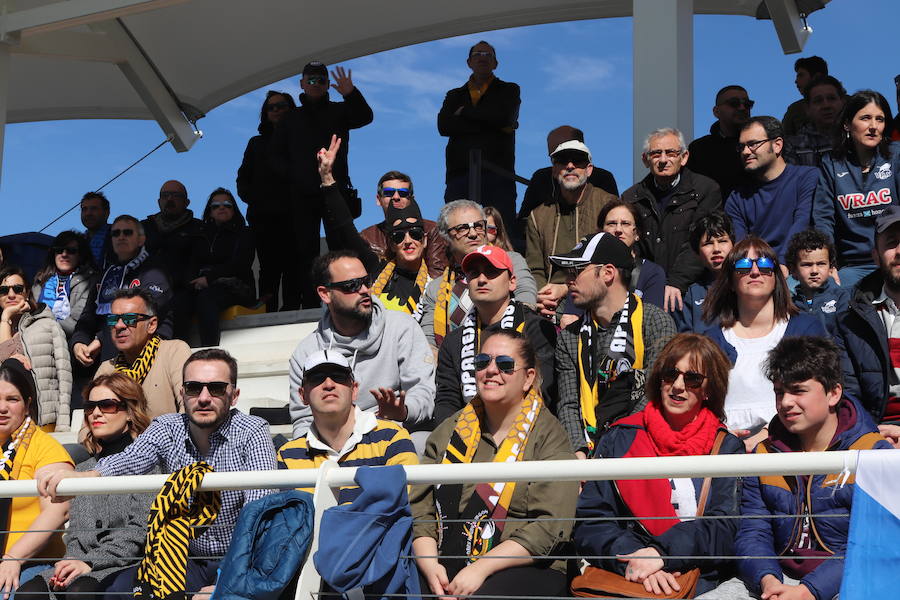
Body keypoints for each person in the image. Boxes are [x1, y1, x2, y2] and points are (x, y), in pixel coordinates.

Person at [37, 348, 278, 598]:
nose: (204, 397)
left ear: (234, 395)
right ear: (182, 393)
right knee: (114, 592)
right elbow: (130, 460)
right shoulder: (167, 427)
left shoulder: (252, 431)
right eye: (194, 388)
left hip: (239, 558)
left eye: (216, 388)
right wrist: (88, 477)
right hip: (184, 558)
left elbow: (259, 515)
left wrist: (228, 583)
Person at [411, 330, 577, 600]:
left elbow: (550, 526)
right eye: (482, 362)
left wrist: (481, 568)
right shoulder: (449, 430)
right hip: (442, 558)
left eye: (505, 364)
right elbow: (421, 510)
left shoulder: (549, 435)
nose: (490, 370)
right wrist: (431, 567)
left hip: (525, 565)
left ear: (529, 378)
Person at [574, 334, 744, 597]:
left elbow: (724, 527)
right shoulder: (621, 437)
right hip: (629, 575)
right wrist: (639, 562)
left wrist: (662, 554)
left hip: (700, 581)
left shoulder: (726, 448)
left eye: (693, 379)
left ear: (710, 389)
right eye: (670, 374)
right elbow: (593, 520)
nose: (678, 386)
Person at [733, 336, 891, 600]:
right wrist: (766, 579)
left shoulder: (873, 453)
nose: (785, 402)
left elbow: (874, 544)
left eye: (798, 390)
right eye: (779, 392)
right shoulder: (763, 454)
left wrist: (809, 591)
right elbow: (753, 530)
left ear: (834, 393)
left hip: (851, 580)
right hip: (775, 577)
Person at [16, 373, 153, 600]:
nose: (95, 413)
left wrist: (88, 563)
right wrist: (71, 563)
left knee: (81, 593)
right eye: (90, 407)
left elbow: (138, 533)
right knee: (28, 594)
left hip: (126, 564)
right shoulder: (82, 468)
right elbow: (78, 536)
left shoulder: (149, 466)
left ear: (130, 412)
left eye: (107, 405)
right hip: (79, 564)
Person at [287, 251, 435, 444]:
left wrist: (403, 410)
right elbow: (304, 420)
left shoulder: (402, 328)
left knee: (421, 442)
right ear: (325, 294)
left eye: (367, 281)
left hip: (391, 436)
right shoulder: (306, 352)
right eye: (352, 286)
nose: (364, 290)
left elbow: (423, 392)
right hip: (333, 445)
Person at [552, 232, 676, 456]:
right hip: (589, 455)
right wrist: (578, 454)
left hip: (641, 450)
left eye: (577, 271)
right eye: (567, 272)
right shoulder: (569, 336)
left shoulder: (655, 321)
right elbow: (568, 404)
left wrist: (615, 447)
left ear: (608, 272)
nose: (568, 280)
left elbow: (653, 393)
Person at [701, 237, 827, 452]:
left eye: (766, 265)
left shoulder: (805, 329)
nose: (755, 271)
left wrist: (769, 433)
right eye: (742, 265)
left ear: (776, 277)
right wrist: (722, 434)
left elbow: (819, 396)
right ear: (730, 281)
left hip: (788, 446)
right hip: (723, 450)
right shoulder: (710, 341)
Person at [270, 61, 374, 310]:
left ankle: (341, 298)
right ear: (302, 84)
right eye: (311, 79)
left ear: (328, 84)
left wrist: (350, 93)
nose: (316, 83)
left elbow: (365, 117)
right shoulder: (290, 118)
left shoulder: (339, 111)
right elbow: (274, 156)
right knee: (304, 251)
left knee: (340, 247)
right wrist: (296, 175)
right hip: (302, 194)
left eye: (321, 79)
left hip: (334, 193)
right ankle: (308, 303)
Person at [434, 244, 556, 424]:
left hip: (526, 432)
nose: (481, 279)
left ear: (512, 281)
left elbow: (545, 392)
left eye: (491, 271)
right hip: (466, 438)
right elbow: (447, 401)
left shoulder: (536, 329)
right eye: (474, 273)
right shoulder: (453, 341)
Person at [277, 349, 417, 502]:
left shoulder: (392, 438)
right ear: (303, 395)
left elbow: (401, 509)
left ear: (354, 390)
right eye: (317, 378)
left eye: (339, 377)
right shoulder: (287, 455)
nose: (329, 384)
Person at [318, 136, 432, 315]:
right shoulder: (376, 271)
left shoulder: (439, 285)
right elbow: (345, 227)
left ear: (425, 240)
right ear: (392, 244)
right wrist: (327, 178)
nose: (408, 240)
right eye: (399, 236)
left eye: (415, 233)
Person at [622, 127, 722, 312]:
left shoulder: (706, 190)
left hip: (696, 288)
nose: (663, 160)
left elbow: (702, 241)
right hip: (646, 291)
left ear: (683, 157)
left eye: (671, 153)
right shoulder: (630, 198)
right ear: (645, 160)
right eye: (656, 154)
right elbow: (632, 248)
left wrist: (676, 281)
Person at [416, 200, 536, 349]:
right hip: (454, 366)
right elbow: (429, 340)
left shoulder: (510, 261)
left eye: (479, 226)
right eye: (462, 229)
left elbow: (526, 301)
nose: (473, 234)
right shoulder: (435, 288)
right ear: (445, 237)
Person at [812, 89, 900, 289]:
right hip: (853, 266)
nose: (873, 127)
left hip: (894, 259)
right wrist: (828, 263)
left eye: (880, 119)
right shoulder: (831, 163)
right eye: (865, 118)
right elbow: (824, 218)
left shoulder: (896, 157)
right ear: (847, 124)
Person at [0, 358, 73, 597]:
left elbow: (57, 511)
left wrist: (13, 558)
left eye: (12, 399)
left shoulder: (46, 448)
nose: (2, 407)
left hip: (30, 562)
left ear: (27, 403)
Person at [438, 41, 520, 237]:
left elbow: (504, 117)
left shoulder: (509, 89)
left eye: (488, 54)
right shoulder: (454, 94)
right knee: (457, 230)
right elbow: (444, 126)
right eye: (477, 54)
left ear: (495, 63)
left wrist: (464, 113)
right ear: (469, 62)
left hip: (498, 172)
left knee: (500, 231)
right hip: (460, 173)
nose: (482, 57)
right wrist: (491, 122)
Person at [527, 140, 615, 317]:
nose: (570, 166)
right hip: (548, 304)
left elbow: (612, 264)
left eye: (578, 160)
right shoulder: (537, 215)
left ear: (589, 169)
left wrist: (565, 288)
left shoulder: (608, 205)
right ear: (554, 170)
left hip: (596, 302)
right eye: (562, 161)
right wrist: (543, 297)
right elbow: (534, 268)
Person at [834, 205, 900, 441]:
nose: (899, 251)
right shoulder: (851, 319)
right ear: (876, 255)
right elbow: (848, 396)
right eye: (891, 243)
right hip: (874, 436)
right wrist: (873, 437)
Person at [71, 215, 173, 365]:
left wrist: (100, 338)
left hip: (149, 351)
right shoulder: (106, 275)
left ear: (141, 239)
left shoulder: (155, 270)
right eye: (116, 233)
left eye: (127, 232)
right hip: (111, 351)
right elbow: (88, 316)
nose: (121, 237)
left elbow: (144, 314)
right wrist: (79, 341)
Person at [726, 116, 818, 265]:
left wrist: (782, 264)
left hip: (799, 266)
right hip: (757, 270)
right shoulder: (737, 197)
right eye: (741, 147)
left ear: (777, 145)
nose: (745, 152)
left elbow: (802, 223)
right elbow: (742, 246)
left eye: (753, 144)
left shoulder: (807, 178)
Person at [236, 90, 297, 312]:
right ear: (265, 113)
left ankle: (291, 309)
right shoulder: (256, 143)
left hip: (296, 215)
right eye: (271, 107)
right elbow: (242, 179)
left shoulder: (300, 141)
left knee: (295, 266)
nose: (277, 110)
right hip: (264, 217)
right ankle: (267, 311)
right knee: (268, 270)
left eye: (281, 105)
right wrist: (257, 200)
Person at [93, 288, 191, 417]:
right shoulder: (107, 368)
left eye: (129, 319)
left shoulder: (173, 352)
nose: (119, 326)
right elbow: (89, 421)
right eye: (113, 319)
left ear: (151, 325)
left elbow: (189, 406)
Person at [0, 266, 72, 432]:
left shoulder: (48, 324)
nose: (11, 295)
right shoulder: (2, 326)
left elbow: (64, 378)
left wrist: (63, 424)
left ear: (27, 292)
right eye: (4, 290)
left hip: (44, 422)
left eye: (18, 289)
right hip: (6, 425)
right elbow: (8, 363)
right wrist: (6, 319)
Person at [188, 188, 256, 346]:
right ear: (209, 211)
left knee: (207, 299)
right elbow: (192, 263)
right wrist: (191, 282)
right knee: (180, 301)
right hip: (203, 285)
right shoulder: (200, 234)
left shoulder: (244, 233)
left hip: (236, 286)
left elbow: (240, 264)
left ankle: (210, 351)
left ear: (234, 209)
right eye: (216, 205)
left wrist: (209, 279)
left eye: (227, 204)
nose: (221, 207)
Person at [519, 126, 618, 232]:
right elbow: (524, 220)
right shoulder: (541, 178)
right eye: (560, 158)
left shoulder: (604, 183)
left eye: (576, 158)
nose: (569, 165)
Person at [141, 180, 204, 339]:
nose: (170, 199)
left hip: (182, 291)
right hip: (145, 289)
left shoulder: (199, 228)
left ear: (187, 202)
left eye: (176, 195)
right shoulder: (143, 227)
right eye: (165, 195)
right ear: (158, 201)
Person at [359, 171, 448, 277]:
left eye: (403, 193)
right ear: (378, 199)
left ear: (412, 199)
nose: (396, 197)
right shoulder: (367, 236)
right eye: (389, 192)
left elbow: (437, 274)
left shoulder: (432, 229)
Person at [688, 85, 753, 198]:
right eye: (734, 103)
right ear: (716, 111)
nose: (742, 108)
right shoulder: (699, 149)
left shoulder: (761, 145)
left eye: (747, 104)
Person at [674, 212, 735, 333]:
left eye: (722, 241)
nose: (716, 249)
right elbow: (687, 338)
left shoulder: (747, 284)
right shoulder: (693, 292)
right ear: (698, 252)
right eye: (708, 243)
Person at [32, 231, 97, 339]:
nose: (64, 254)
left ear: (80, 255)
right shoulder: (40, 281)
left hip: (70, 345)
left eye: (71, 251)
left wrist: (43, 325)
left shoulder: (89, 281)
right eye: (59, 250)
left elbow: (76, 323)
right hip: (39, 342)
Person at [786, 229, 849, 333]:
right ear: (793, 270)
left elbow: (849, 337)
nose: (814, 271)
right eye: (807, 264)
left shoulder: (841, 298)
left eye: (821, 264)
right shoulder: (790, 305)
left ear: (831, 268)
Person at [784, 75, 847, 168]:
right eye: (818, 101)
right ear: (807, 109)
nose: (826, 105)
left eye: (831, 98)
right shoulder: (794, 146)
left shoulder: (858, 138)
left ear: (843, 102)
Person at [782, 55, 829, 137]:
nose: (796, 81)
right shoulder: (794, 110)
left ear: (816, 77)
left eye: (801, 75)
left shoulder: (846, 102)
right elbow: (784, 140)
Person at [80, 192, 113, 270]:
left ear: (107, 213)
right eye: (84, 209)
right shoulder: (78, 241)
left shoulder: (119, 235)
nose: (88, 213)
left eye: (94, 209)